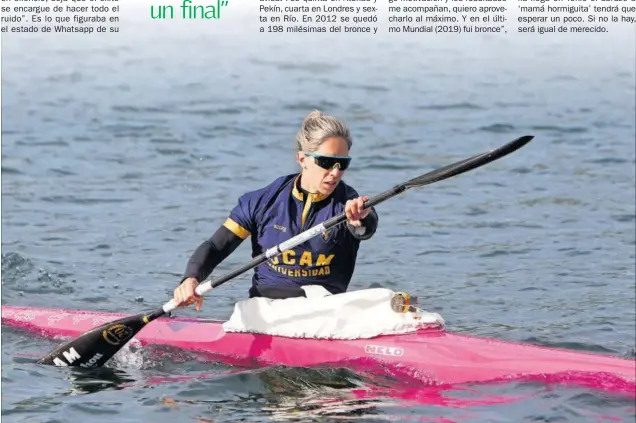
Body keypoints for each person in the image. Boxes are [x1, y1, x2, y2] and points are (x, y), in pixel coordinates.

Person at [173, 110, 379, 311]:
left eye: (342, 164)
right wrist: (191, 279)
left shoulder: (350, 205)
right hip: (266, 310)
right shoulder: (262, 202)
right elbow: (217, 246)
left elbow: (366, 227)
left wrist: (361, 218)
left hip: (322, 311)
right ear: (302, 159)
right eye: (325, 162)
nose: (335, 173)